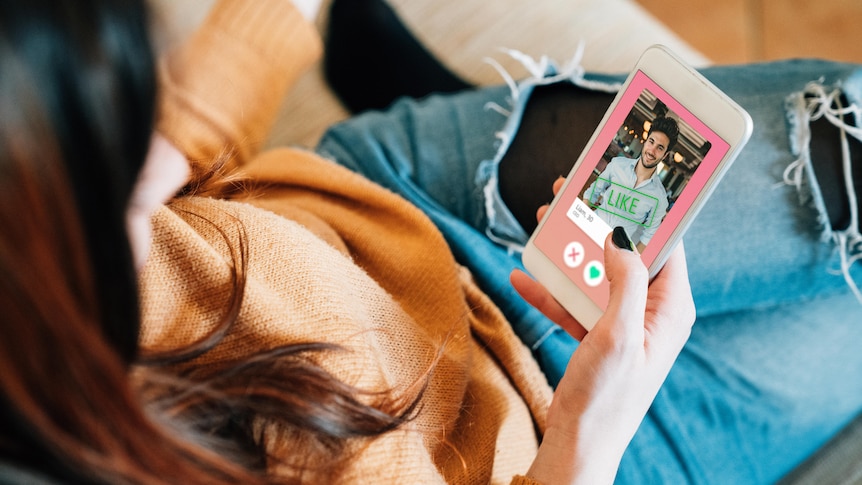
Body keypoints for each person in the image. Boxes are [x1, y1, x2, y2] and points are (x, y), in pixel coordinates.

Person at [0, 2, 860, 485]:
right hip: (578, 441)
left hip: (390, 203)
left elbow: (155, 149)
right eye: (116, 189)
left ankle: (387, 70)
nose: (152, 197)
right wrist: (583, 450)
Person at [583, 117, 680, 251]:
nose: (652, 151)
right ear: (645, 141)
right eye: (651, 142)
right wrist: (579, 221)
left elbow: (647, 238)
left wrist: (630, 263)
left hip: (616, 251)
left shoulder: (659, 198)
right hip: (589, 230)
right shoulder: (617, 165)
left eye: (660, 148)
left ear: (664, 155)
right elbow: (592, 192)